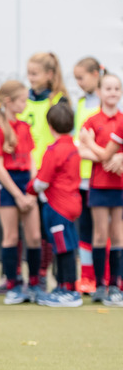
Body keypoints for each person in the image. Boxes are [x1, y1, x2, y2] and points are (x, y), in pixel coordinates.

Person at [27, 103, 83, 307]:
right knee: (66, 246)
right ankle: (64, 287)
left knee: (63, 249)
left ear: (50, 125)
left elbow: (42, 181)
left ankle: (67, 290)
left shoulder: (54, 150)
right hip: (71, 204)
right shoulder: (74, 148)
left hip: (57, 207)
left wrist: (30, 188)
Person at [0, 80, 41, 306]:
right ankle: (12, 284)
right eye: (22, 100)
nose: (25, 103)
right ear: (9, 102)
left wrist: (32, 190)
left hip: (25, 185)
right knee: (11, 236)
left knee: (35, 237)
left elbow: (30, 160)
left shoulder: (24, 127)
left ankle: (36, 283)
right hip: (7, 185)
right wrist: (18, 195)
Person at [77, 73, 123, 306]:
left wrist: (120, 157)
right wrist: (105, 158)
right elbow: (81, 149)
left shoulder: (122, 120)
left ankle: (115, 285)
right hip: (98, 185)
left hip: (119, 185)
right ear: (100, 92)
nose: (112, 92)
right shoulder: (92, 121)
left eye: (116, 88)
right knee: (99, 234)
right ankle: (99, 285)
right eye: (108, 88)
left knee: (117, 235)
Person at [72, 58, 102, 295]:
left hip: (105, 175)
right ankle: (87, 276)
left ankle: (108, 278)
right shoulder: (81, 102)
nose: (79, 83)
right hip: (83, 175)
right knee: (86, 227)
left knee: (107, 229)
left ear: (95, 74)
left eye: (82, 77)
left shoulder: (110, 103)